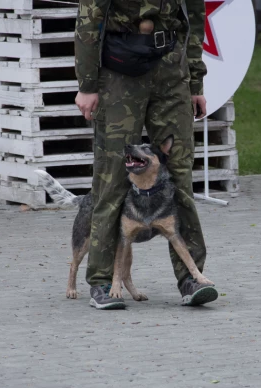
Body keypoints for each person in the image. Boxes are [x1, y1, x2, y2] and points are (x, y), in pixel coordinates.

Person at [74, 0, 218, 309]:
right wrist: (87, 83)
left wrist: (195, 80)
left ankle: (191, 279)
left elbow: (193, 14)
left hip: (170, 71)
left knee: (178, 173)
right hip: (120, 71)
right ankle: (101, 282)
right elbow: (89, 17)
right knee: (113, 177)